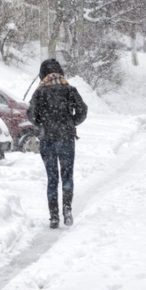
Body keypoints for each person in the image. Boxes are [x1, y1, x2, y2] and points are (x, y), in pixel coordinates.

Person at [27, 59, 88, 229]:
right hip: (67, 138)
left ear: (42, 74)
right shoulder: (69, 89)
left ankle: (54, 216)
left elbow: (30, 115)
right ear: (60, 71)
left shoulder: (39, 92)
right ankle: (67, 209)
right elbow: (83, 110)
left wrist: (42, 124)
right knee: (67, 175)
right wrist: (71, 123)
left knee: (52, 178)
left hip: (47, 140)